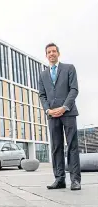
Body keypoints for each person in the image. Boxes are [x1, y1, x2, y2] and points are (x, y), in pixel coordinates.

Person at [38, 43, 81, 191]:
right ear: (46, 55)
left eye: (54, 51)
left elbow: (74, 89)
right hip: (52, 115)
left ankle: (75, 180)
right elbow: (42, 95)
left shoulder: (69, 68)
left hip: (68, 112)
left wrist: (64, 107)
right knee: (56, 148)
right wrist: (48, 110)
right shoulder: (43, 74)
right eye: (49, 52)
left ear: (58, 53)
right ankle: (59, 179)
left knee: (72, 146)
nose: (51, 54)